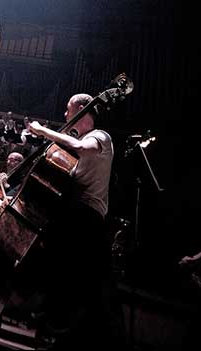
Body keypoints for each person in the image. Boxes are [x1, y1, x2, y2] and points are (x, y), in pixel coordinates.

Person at [26, 93, 127, 349]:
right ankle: (49, 322)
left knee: (73, 279)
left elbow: (82, 148)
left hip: (88, 218)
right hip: (76, 214)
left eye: (68, 109)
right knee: (66, 276)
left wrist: (44, 131)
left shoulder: (100, 136)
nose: (65, 114)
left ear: (82, 108)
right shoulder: (79, 145)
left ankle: (55, 325)